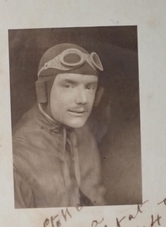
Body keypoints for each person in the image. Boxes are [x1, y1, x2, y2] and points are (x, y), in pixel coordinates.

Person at [12, 43, 106, 209]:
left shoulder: (84, 134)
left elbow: (97, 198)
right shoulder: (18, 154)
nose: (83, 99)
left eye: (90, 87)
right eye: (68, 85)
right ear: (43, 91)